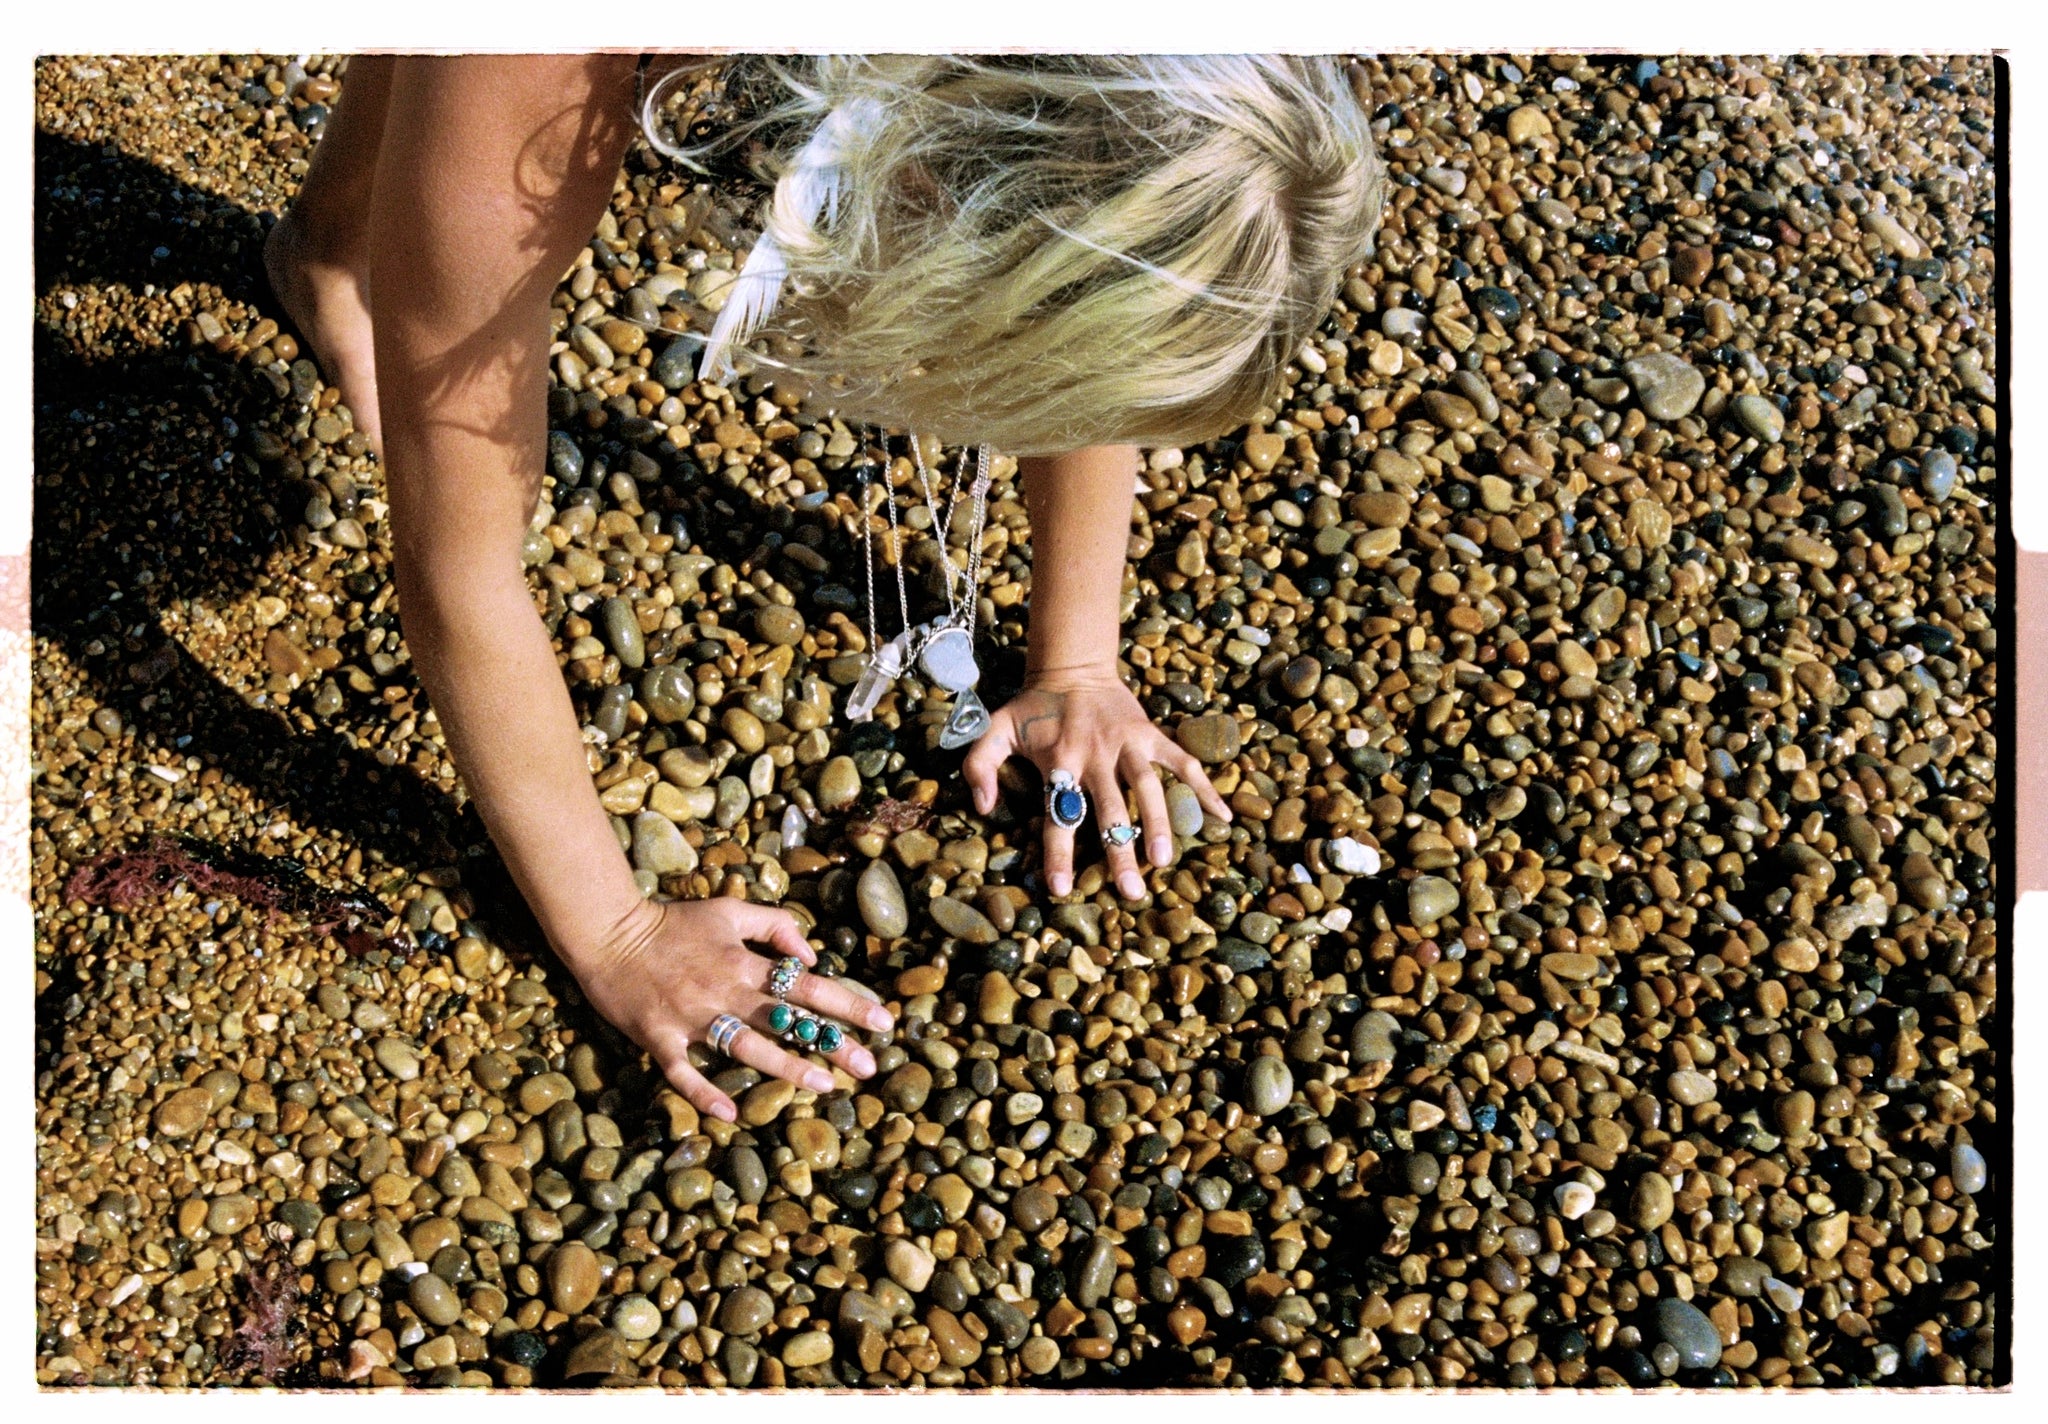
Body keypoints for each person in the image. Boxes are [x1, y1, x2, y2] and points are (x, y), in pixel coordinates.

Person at [263, 53, 1386, 1124]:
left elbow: (1099, 197)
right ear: (942, 186)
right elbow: (455, 563)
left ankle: (330, 243)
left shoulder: (1101, 69)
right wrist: (615, 930)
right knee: (468, 410)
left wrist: (1077, 661)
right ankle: (346, 243)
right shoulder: (540, 64)